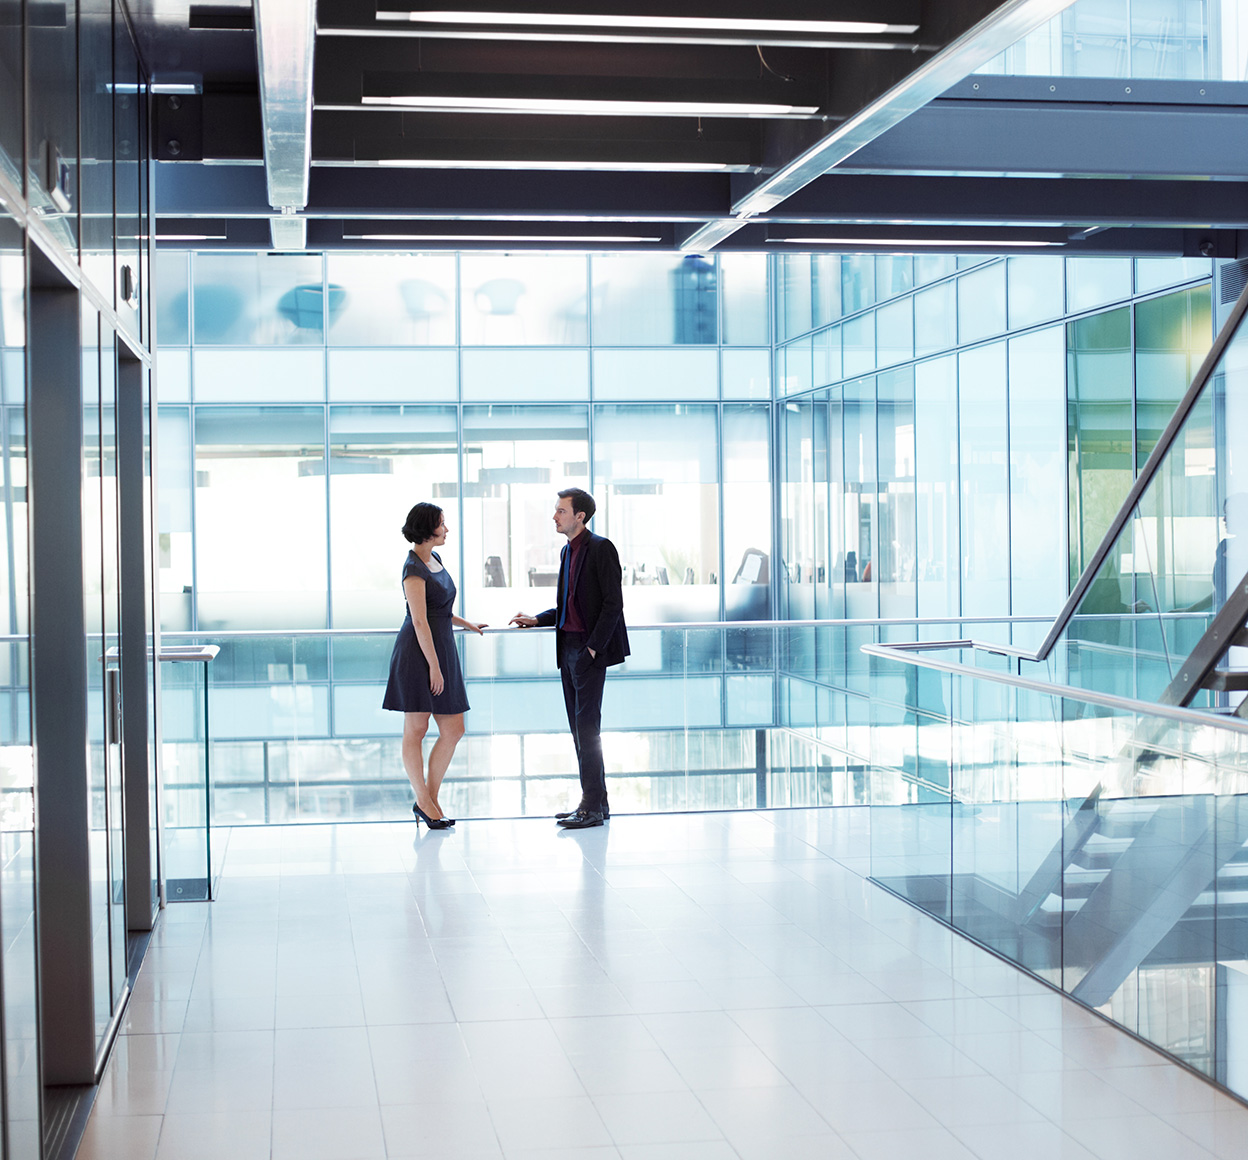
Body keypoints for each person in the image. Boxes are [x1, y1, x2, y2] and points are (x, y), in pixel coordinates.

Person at [510, 488, 629, 829]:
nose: (554, 516)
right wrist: (538, 618)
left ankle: (590, 806)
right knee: (580, 730)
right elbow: (568, 607)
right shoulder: (567, 552)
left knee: (587, 729)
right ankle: (597, 802)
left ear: (580, 516)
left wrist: (592, 649)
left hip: (588, 651)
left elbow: (613, 605)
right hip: (568, 649)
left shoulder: (601, 548)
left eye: (561, 511)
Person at [382, 502, 485, 829]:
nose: (447, 529)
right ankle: (426, 802)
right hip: (419, 652)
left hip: (441, 647)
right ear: (428, 528)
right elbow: (419, 620)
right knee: (416, 728)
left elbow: (438, 609)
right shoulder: (413, 568)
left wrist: (465, 623)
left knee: (454, 728)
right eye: (442, 524)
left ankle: (429, 799)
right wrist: (434, 668)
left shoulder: (435, 559)